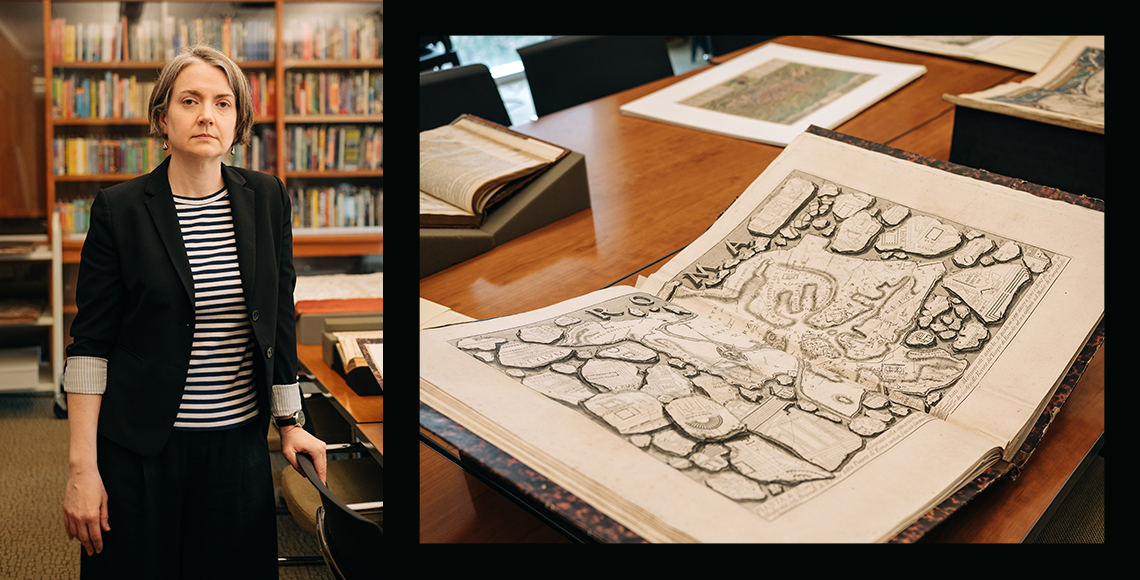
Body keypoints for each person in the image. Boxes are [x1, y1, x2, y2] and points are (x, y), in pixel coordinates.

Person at [60, 44, 327, 579]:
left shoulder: (268, 198)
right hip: (140, 449)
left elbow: (277, 319)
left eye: (223, 103)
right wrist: (81, 468)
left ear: (238, 121)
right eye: (190, 101)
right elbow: (90, 347)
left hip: (237, 446)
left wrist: (289, 421)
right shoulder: (119, 209)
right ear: (163, 118)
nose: (207, 115)